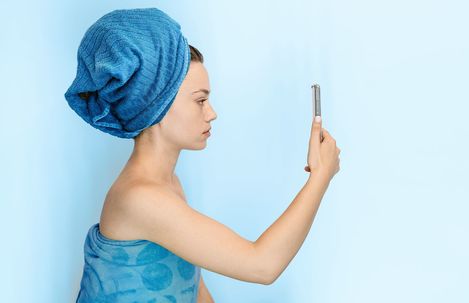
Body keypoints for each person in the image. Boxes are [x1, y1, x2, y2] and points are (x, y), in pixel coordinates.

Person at [65, 7, 340, 303]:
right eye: (200, 100)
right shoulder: (140, 198)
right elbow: (262, 266)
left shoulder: (168, 185)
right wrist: (319, 176)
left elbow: (195, 289)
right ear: (158, 105)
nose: (211, 113)